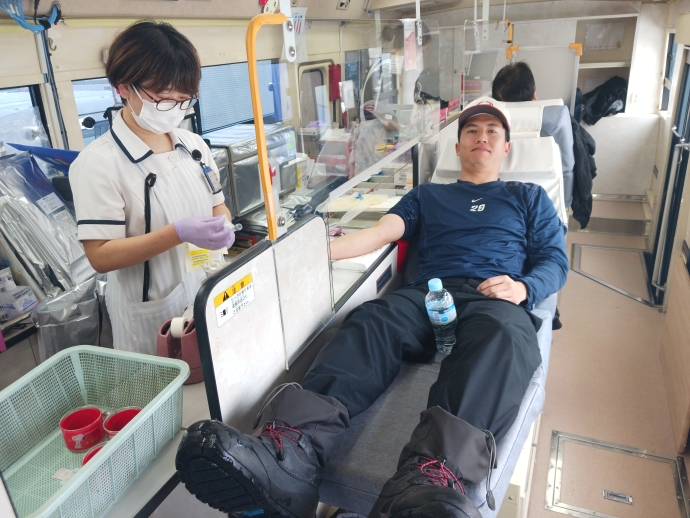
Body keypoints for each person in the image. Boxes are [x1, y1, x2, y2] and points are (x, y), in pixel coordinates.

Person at [175, 97, 568, 518]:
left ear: (507, 147)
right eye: (471, 130)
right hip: (431, 292)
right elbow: (380, 233)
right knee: (372, 318)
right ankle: (291, 452)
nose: (481, 137)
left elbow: (555, 260)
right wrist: (300, 255)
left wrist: (523, 287)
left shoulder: (528, 197)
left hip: (495, 297)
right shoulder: (429, 195)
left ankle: (433, 476)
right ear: (457, 146)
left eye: (492, 131)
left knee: (506, 338)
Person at [70, 21, 235, 355]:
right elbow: (100, 255)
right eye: (162, 100)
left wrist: (224, 226)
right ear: (123, 87)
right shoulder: (98, 163)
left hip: (205, 291)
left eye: (184, 100)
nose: (175, 110)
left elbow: (217, 203)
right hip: (149, 312)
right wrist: (177, 233)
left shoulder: (193, 145)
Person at [491, 62, 576, 209]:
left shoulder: (480, 123)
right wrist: (565, 203)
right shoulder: (556, 121)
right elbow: (566, 169)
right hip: (547, 205)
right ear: (534, 94)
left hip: (495, 202)